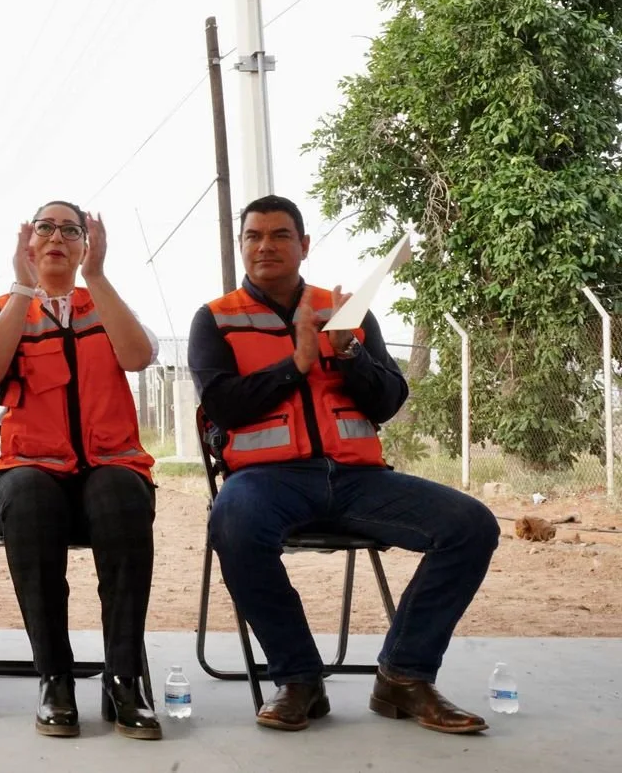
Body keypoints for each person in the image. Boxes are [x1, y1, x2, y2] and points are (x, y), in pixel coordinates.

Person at [188, 195, 499, 734]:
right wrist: (297, 365)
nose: (266, 246)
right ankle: (300, 679)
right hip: (267, 481)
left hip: (358, 479)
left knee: (471, 526)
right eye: (254, 236)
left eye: (280, 235)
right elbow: (222, 406)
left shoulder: (349, 311)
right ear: (241, 247)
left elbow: (387, 402)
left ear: (303, 245)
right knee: (232, 523)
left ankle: (404, 676)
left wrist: (347, 352)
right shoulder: (215, 319)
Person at [0, 203, 162, 739]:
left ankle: (124, 678)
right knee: (30, 493)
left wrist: (96, 277)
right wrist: (25, 289)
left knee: (122, 491)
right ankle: (54, 677)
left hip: (104, 471)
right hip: (15, 473)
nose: (56, 237)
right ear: (26, 241)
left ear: (85, 244)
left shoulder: (101, 300)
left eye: (70, 230)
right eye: (44, 228)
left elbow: (139, 355)